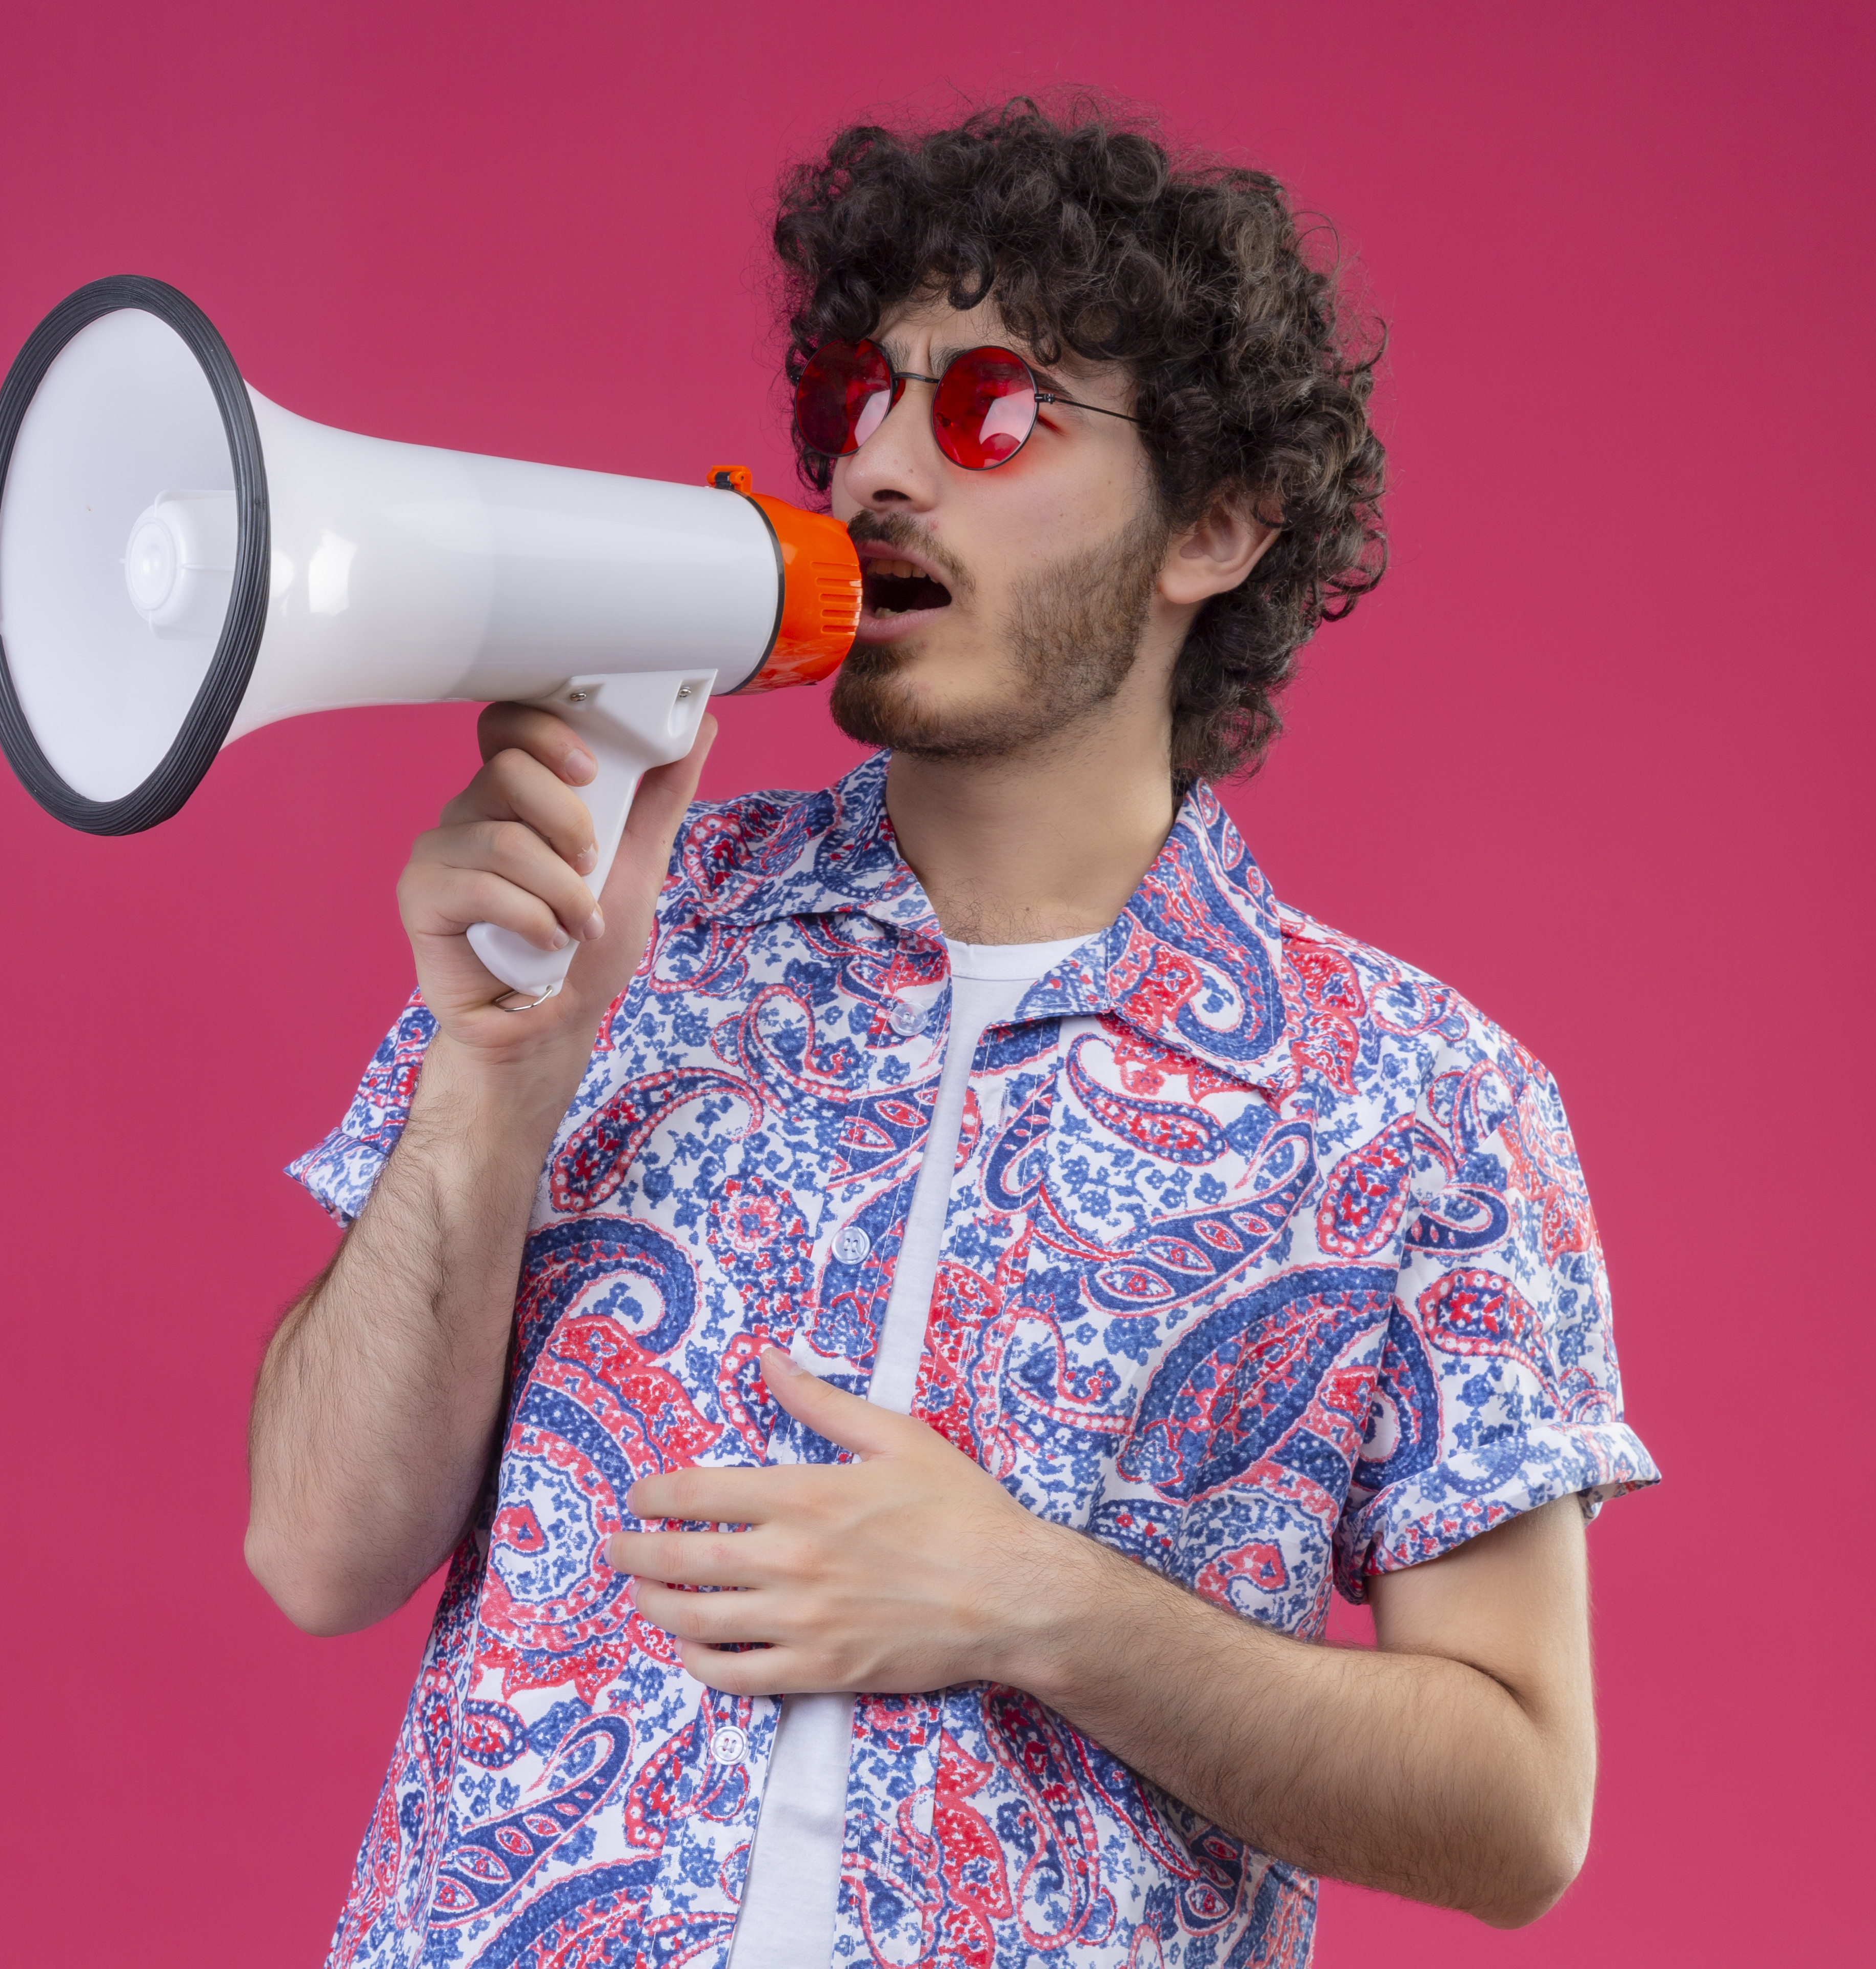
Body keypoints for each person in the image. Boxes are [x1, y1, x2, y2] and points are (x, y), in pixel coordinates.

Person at [247, 98, 1659, 1969]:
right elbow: (313, 1550)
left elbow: (1517, 1805)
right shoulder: (621, 931)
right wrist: (491, 1086)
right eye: (860, 395)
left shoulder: (1420, 1102)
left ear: (1219, 525)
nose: (878, 467)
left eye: (991, 410)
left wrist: (1042, 1606)